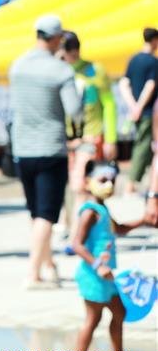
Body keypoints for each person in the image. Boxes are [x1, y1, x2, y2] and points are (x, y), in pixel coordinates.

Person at [9, 14, 81, 289]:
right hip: (51, 148)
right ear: (57, 39)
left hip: (23, 148)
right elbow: (74, 110)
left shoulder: (17, 66)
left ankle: (48, 265)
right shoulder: (61, 71)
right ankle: (33, 274)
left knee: (36, 212)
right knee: (47, 214)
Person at [69, 161, 145, 351]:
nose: (109, 184)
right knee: (92, 319)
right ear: (87, 182)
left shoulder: (102, 209)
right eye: (103, 180)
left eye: (112, 180)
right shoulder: (90, 212)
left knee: (119, 313)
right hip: (93, 276)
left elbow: (118, 228)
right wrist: (98, 265)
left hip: (106, 277)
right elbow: (76, 244)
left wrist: (143, 221)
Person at [59, 31, 118, 240]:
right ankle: (71, 225)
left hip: (91, 136)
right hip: (65, 139)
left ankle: (78, 233)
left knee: (82, 187)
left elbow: (109, 104)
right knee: (70, 186)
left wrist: (111, 138)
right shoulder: (58, 70)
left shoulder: (95, 70)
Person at [118, 27, 158, 192]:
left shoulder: (133, 59)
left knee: (146, 148)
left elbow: (124, 84)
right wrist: (139, 107)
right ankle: (131, 184)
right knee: (143, 147)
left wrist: (132, 106)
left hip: (136, 111)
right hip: (148, 112)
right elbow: (150, 85)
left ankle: (149, 184)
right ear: (154, 40)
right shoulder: (153, 62)